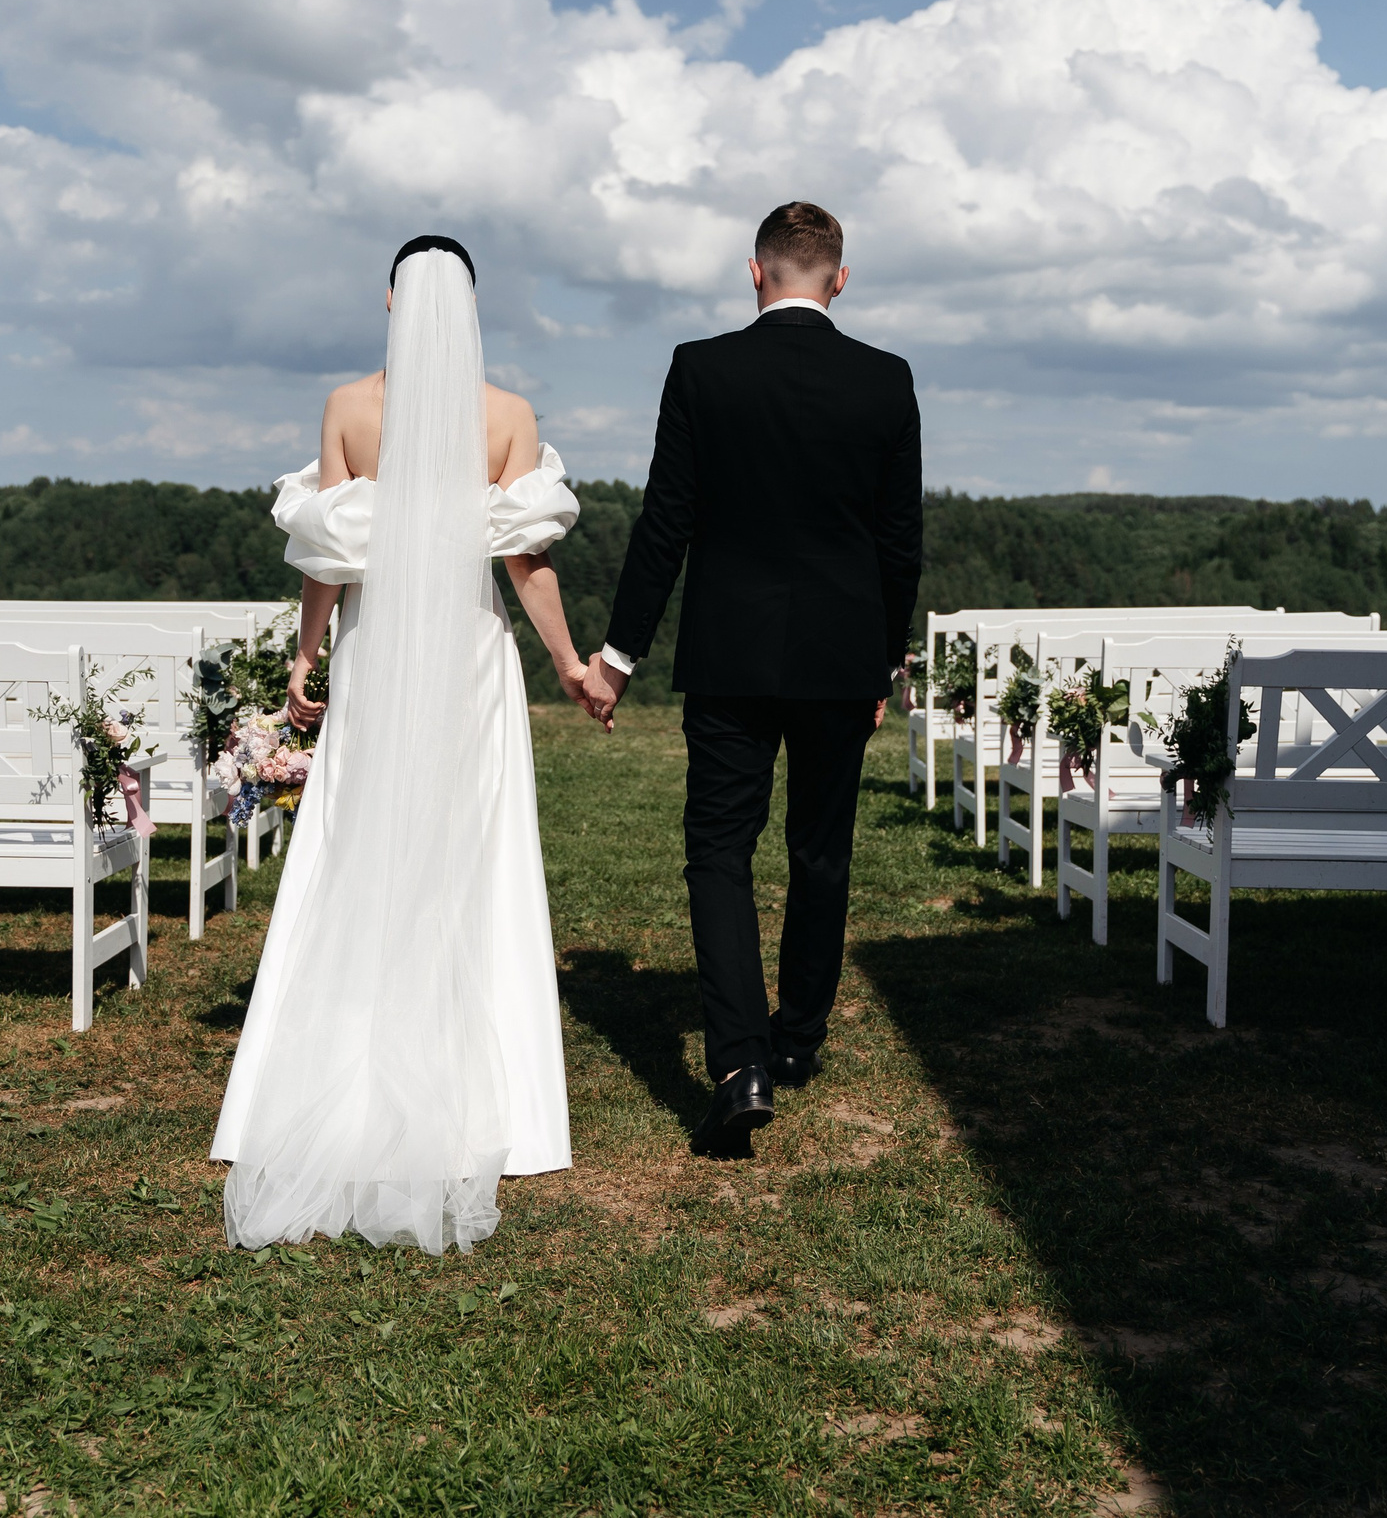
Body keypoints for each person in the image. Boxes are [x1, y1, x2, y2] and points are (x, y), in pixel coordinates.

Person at [211, 235, 592, 1253]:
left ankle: (337, 1072)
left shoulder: (349, 408)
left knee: (361, 844)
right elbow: (527, 564)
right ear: (469, 308)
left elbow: (329, 555)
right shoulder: (507, 416)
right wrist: (566, 662)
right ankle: (488, 1094)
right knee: (475, 847)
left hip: (378, 653)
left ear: (390, 299)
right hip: (468, 656)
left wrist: (306, 660)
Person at [580, 202, 923, 1158]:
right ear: (839, 279)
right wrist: (885, 656)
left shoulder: (702, 368)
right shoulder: (886, 380)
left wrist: (617, 656)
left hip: (730, 654)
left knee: (720, 850)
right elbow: (901, 544)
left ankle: (740, 1061)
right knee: (822, 849)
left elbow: (665, 524)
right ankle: (800, 1036)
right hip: (840, 658)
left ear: (756, 272)